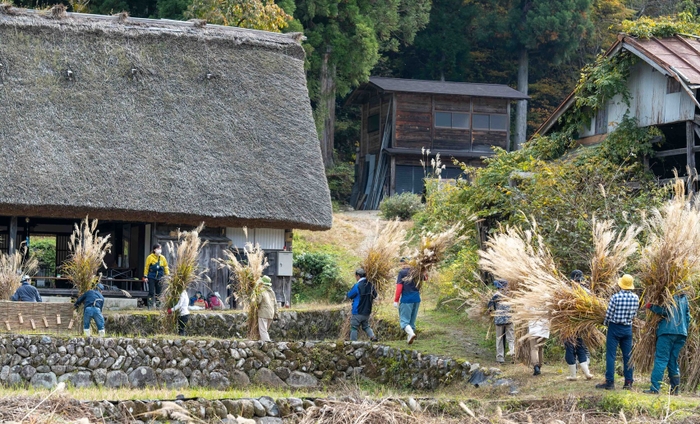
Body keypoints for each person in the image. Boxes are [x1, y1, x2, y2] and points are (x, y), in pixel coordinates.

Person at [643, 291, 691, 395]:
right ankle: (675, 390)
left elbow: (665, 311)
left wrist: (651, 306)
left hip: (667, 331)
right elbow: (688, 317)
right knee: (673, 360)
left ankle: (654, 389)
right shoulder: (684, 297)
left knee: (661, 359)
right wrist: (684, 329)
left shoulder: (670, 293)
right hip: (682, 333)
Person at [596, 274, 639, 390]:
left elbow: (609, 314)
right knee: (628, 356)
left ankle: (609, 382)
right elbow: (634, 315)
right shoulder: (636, 298)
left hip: (614, 328)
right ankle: (628, 383)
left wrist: (604, 323)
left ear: (621, 285)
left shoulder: (615, 297)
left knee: (611, 355)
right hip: (627, 329)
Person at [565, 270, 594, 381]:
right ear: (581, 279)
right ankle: (587, 373)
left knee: (570, 348)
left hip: (567, 325)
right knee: (581, 347)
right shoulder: (586, 291)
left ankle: (573, 375)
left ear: (572, 280)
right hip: (581, 325)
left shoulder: (565, 292)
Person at [347, 268, 378, 342]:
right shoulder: (370, 285)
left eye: (356, 276)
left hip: (357, 310)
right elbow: (375, 295)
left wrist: (347, 294)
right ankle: (373, 337)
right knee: (366, 325)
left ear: (358, 276)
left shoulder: (357, 286)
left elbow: (350, 295)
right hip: (367, 311)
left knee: (354, 327)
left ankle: (353, 342)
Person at [487, 279, 514, 364]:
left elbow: (490, 308)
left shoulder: (495, 295)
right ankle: (513, 355)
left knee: (499, 339)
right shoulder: (510, 295)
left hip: (499, 321)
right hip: (509, 319)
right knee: (511, 339)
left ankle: (500, 358)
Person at [394, 257, 421, 344]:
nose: (400, 266)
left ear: (403, 263)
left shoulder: (402, 273)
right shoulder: (416, 271)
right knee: (411, 322)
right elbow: (425, 278)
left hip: (406, 300)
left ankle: (411, 334)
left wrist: (396, 300)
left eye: (401, 264)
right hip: (416, 299)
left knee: (404, 321)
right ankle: (410, 339)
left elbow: (399, 287)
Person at [143, 244, 169, 308]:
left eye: (160, 249)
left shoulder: (162, 258)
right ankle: (149, 305)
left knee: (159, 293)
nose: (159, 250)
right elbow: (146, 267)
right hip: (151, 277)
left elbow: (166, 267)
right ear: (154, 249)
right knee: (151, 292)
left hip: (160, 277)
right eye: (158, 249)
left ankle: (158, 306)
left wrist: (167, 275)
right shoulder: (150, 257)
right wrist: (145, 276)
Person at [257, 276, 278, 342]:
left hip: (263, 313)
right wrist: (276, 314)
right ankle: (261, 342)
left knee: (263, 330)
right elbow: (275, 304)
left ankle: (268, 343)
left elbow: (258, 301)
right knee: (265, 330)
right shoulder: (272, 292)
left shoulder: (261, 291)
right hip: (271, 313)